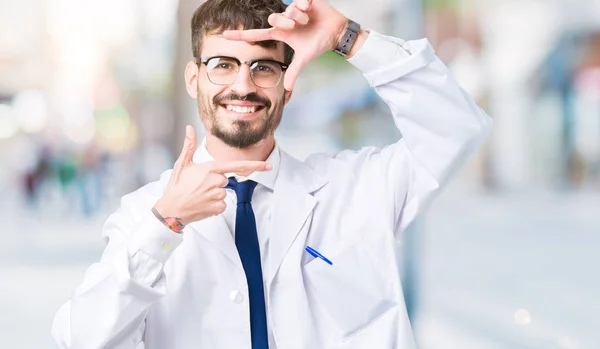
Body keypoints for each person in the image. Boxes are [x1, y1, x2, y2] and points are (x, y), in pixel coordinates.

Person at [52, 0, 492, 347]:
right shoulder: (144, 216)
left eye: (263, 67)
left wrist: (347, 37)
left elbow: (457, 128)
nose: (242, 85)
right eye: (222, 64)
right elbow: (84, 339)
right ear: (193, 79)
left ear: (288, 80)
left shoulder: (355, 188)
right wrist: (165, 225)